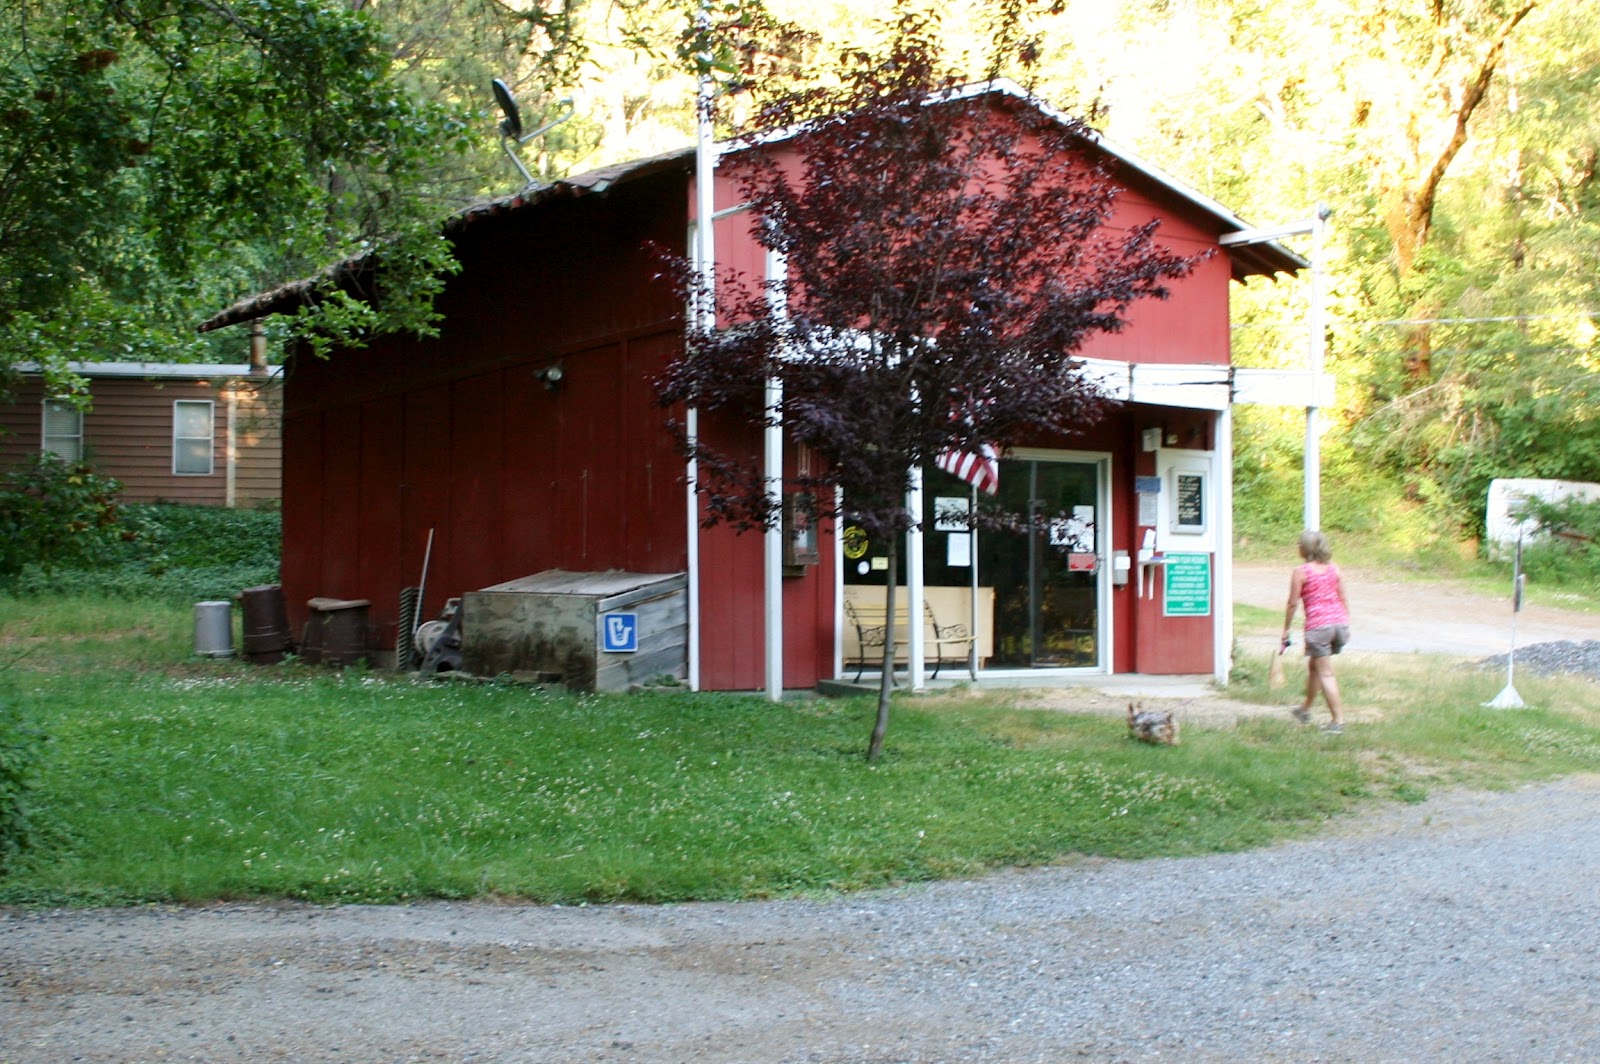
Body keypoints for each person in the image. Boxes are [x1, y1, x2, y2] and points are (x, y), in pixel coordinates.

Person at [1282, 529, 1351, 733]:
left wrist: (1286, 630)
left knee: (1326, 673)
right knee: (1315, 667)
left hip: (1319, 628)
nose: (1298, 547)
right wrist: (1346, 622)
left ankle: (1337, 722)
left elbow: (1292, 603)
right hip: (1339, 624)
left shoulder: (1301, 571)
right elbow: (1343, 597)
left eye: (1299, 544)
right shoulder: (1334, 569)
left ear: (1305, 548)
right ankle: (1305, 709)